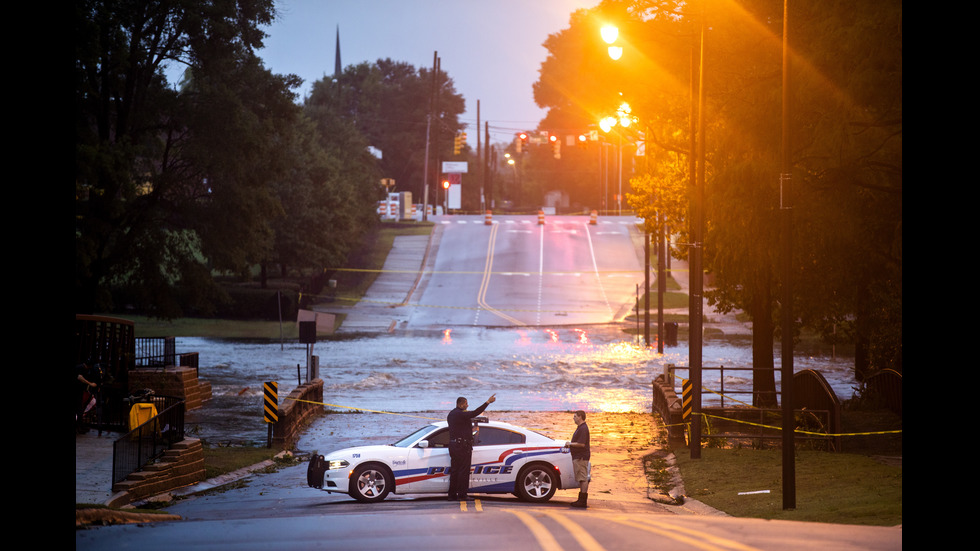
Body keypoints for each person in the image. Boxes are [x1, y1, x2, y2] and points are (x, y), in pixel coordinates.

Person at [447, 393, 496, 501]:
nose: (467, 405)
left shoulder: (451, 414)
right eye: (466, 404)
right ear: (461, 404)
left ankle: (452, 495)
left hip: (454, 446)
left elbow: (462, 424)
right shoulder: (460, 414)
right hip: (462, 447)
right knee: (463, 471)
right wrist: (487, 402)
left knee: (455, 471)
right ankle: (462, 495)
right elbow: (475, 413)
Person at [568, 410, 591, 508]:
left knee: (583, 478)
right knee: (581, 478)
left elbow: (581, 444)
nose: (573, 418)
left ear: (580, 417)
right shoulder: (580, 428)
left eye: (575, 416)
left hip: (581, 457)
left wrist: (570, 444)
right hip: (578, 456)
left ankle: (583, 501)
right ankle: (580, 499)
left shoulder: (583, 428)